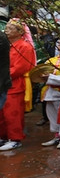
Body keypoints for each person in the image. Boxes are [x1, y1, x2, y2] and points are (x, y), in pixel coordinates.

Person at [0, 19, 37, 151]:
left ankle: (15, 139)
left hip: (14, 83)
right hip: (3, 82)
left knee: (12, 113)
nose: (6, 30)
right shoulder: (6, 44)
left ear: (20, 32)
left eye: (11, 28)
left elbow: (20, 68)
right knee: (2, 112)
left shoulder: (25, 46)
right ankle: (3, 137)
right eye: (7, 27)